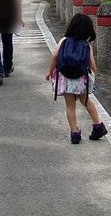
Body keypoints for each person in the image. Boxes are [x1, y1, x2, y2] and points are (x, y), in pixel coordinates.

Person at [45, 14, 107, 144]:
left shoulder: (64, 40)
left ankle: (74, 133)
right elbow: (92, 65)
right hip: (81, 79)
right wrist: (93, 76)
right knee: (86, 101)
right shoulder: (86, 45)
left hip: (65, 78)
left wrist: (49, 72)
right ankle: (98, 125)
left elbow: (55, 56)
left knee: (70, 105)